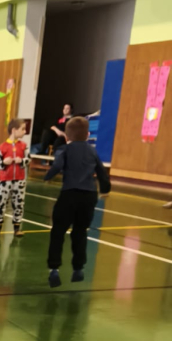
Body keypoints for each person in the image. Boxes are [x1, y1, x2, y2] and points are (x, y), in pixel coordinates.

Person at [43, 115, 111, 287]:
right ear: (87, 135)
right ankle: (78, 268)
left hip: (69, 194)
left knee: (58, 231)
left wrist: (47, 177)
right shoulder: (92, 151)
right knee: (80, 231)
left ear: (66, 136)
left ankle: (54, 269)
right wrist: (105, 188)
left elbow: (57, 166)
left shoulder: (65, 150)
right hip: (88, 196)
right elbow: (101, 171)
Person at [0, 118, 29, 238]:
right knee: (1, 203)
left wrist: (21, 161)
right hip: (5, 181)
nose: (25, 131)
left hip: (19, 180)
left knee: (18, 204)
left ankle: (17, 228)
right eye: (22, 129)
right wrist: (3, 162)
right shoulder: (2, 147)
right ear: (14, 130)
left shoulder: (23, 146)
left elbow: (28, 159)